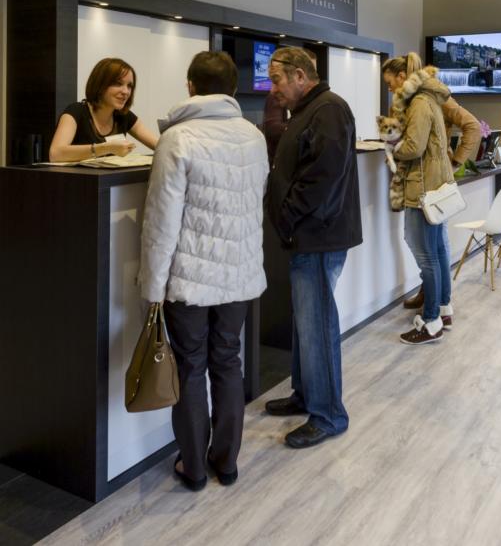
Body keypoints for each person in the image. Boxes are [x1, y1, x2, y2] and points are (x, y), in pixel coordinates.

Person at [138, 51, 269, 490]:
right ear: (232, 88)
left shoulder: (178, 139)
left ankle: (192, 468)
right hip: (240, 276)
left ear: (190, 86)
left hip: (188, 281)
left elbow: (161, 222)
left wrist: (152, 287)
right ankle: (226, 464)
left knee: (191, 368)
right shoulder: (254, 136)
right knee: (228, 362)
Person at [264, 46, 362, 449]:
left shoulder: (329, 110)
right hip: (307, 234)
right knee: (307, 321)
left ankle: (328, 414)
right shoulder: (311, 110)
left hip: (318, 235)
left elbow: (322, 179)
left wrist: (286, 214)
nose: (273, 91)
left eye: (277, 80)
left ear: (301, 76)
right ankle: (306, 395)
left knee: (317, 324)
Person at [382, 52, 455, 344]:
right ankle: (443, 310)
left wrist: (390, 146)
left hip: (422, 187)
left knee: (426, 255)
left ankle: (431, 321)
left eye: (389, 83)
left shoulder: (420, 104)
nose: (389, 88)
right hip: (434, 185)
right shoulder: (429, 100)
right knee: (436, 252)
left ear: (402, 78)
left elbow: (413, 147)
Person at [403, 64, 481, 311]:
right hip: (435, 177)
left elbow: (472, 126)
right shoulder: (421, 100)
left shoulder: (435, 101)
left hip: (433, 180)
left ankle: (436, 304)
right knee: (435, 245)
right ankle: (435, 298)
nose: (391, 87)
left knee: (433, 246)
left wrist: (456, 159)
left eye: (391, 81)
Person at [48, 57, 158, 161]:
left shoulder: (124, 115)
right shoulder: (76, 111)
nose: (126, 91)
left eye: (129, 86)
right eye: (118, 84)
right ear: (100, 84)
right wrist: (105, 148)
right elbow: (55, 153)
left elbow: (159, 145)